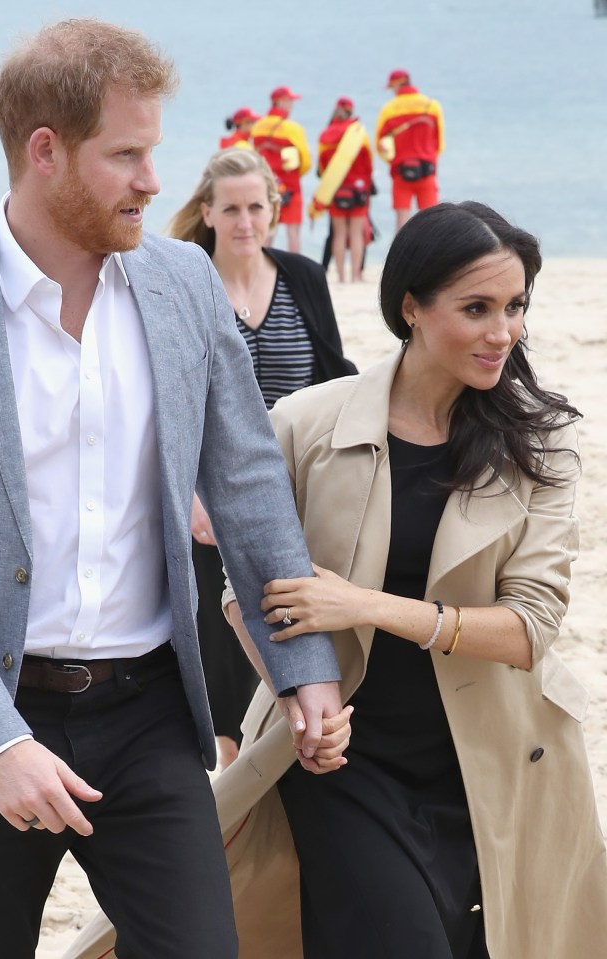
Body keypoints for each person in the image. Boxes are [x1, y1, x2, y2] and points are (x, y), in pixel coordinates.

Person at [0, 19, 353, 959]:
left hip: (151, 714)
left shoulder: (183, 282)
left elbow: (245, 478)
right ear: (46, 151)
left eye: (153, 151)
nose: (155, 181)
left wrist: (305, 663)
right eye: (128, 154)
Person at [208, 201, 607, 958]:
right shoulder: (304, 423)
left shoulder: (542, 441)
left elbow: (530, 628)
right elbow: (245, 591)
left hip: (494, 762)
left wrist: (365, 605)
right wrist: (298, 696)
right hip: (342, 757)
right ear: (411, 308)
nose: (504, 332)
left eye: (516, 306)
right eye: (477, 308)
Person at [168, 147, 358, 768]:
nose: (245, 221)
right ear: (208, 213)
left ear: (274, 211)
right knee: (218, 608)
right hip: (208, 482)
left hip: (297, 475)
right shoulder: (188, 283)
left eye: (256, 207)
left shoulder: (302, 276)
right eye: (231, 209)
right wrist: (194, 491)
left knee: (294, 605)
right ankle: (225, 749)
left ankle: (291, 731)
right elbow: (171, 396)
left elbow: (336, 375)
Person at [309, 96, 373, 282]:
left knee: (339, 233)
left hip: (335, 189)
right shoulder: (358, 132)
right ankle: (355, 275)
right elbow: (368, 163)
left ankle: (341, 276)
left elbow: (321, 167)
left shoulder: (325, 135)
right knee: (356, 233)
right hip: (358, 188)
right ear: (351, 112)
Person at [376, 69, 445, 233]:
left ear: (397, 84)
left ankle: (401, 255)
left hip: (401, 170)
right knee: (431, 218)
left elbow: (380, 145)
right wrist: (429, 156)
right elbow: (439, 143)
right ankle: (431, 255)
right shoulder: (431, 105)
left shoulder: (389, 109)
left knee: (402, 219)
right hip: (426, 169)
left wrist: (392, 160)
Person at [251, 85, 312, 253]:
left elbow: (252, 156)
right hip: (291, 185)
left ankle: (261, 267)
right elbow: (305, 161)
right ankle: (294, 272)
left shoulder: (257, 126)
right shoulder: (293, 128)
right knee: (293, 233)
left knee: (267, 230)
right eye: (289, 101)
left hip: (266, 184)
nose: (292, 104)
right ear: (279, 102)